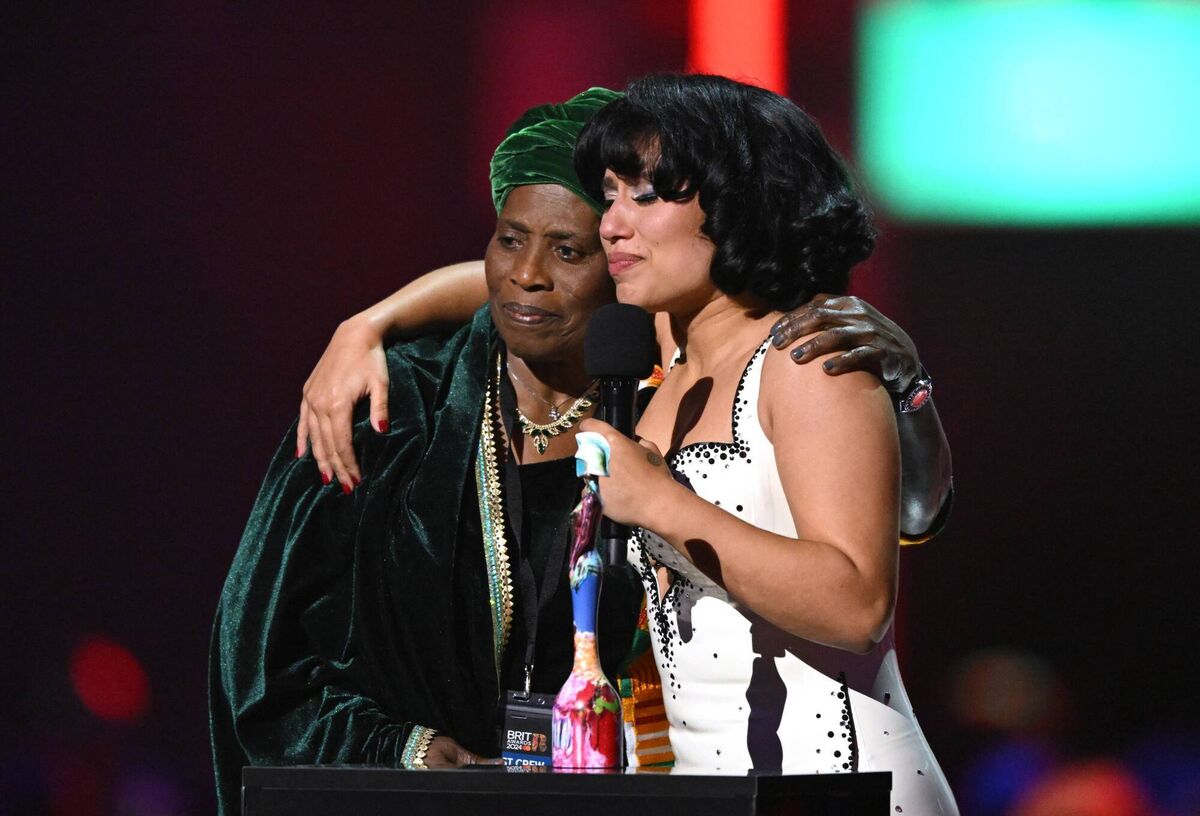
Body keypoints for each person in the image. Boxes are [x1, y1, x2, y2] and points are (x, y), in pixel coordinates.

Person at [209, 89, 650, 815]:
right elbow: (258, 663)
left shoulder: (661, 414)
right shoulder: (388, 415)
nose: (526, 274)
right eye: (510, 239)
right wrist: (400, 750)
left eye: (567, 251)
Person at [572, 74, 958, 813]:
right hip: (711, 790)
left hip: (844, 783)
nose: (611, 225)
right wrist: (365, 329)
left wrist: (659, 503)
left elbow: (856, 604)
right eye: (610, 195)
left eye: (645, 196)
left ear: (738, 201)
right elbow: (526, 287)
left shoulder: (810, 357)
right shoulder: (666, 367)